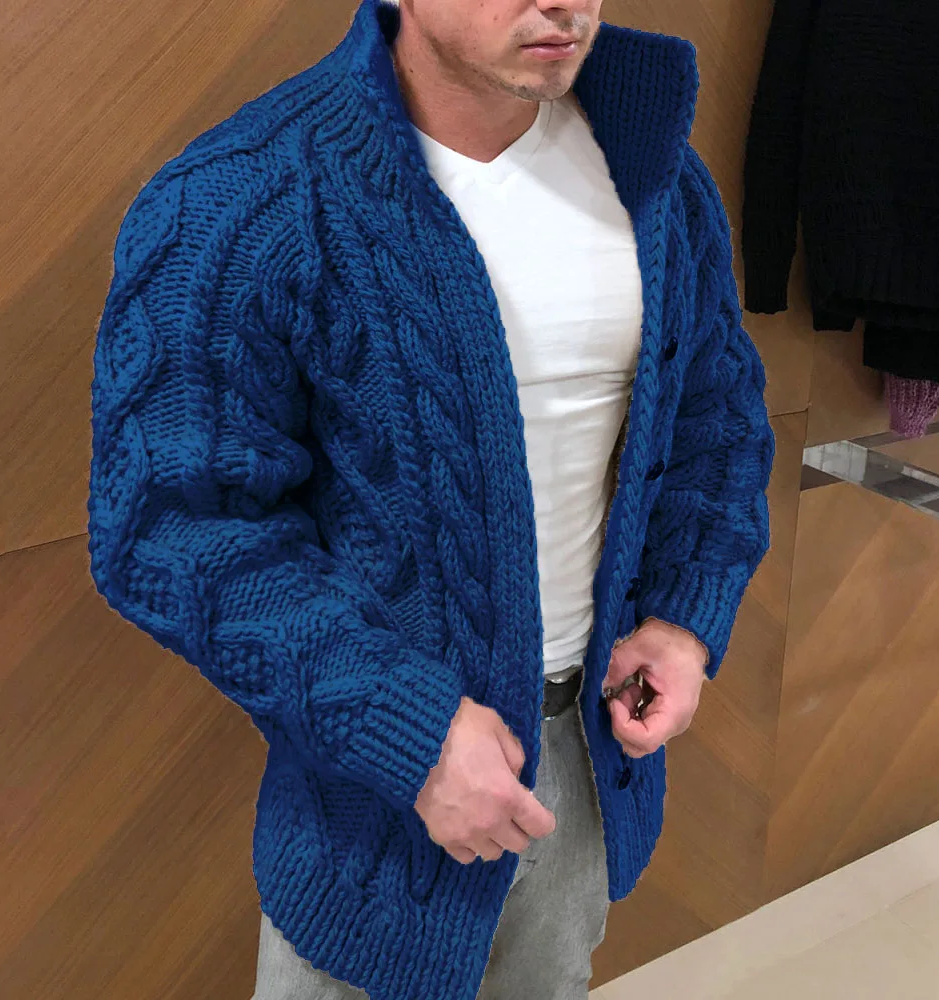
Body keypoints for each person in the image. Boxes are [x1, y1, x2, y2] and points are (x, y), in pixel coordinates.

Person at [86, 1, 775, 998]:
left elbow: (717, 422)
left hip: (584, 760)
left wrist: (680, 620)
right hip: (370, 795)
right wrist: (407, 730)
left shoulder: (653, 172)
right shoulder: (242, 196)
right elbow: (171, 528)